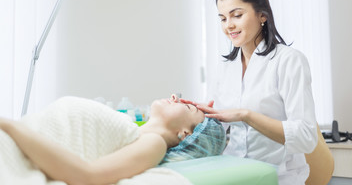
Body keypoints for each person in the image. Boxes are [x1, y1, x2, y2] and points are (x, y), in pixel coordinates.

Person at [180, 0, 318, 185]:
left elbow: (306, 137)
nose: (229, 26)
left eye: (236, 15)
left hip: (279, 177)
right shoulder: (224, 68)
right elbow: (216, 126)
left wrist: (247, 116)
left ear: (262, 15)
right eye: (223, 18)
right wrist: (188, 113)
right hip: (236, 174)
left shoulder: (289, 61)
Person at [0, 94, 226, 185]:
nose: (175, 97)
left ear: (185, 134)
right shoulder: (134, 130)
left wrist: (9, 126)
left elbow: (87, 175)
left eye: (186, 106)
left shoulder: (154, 143)